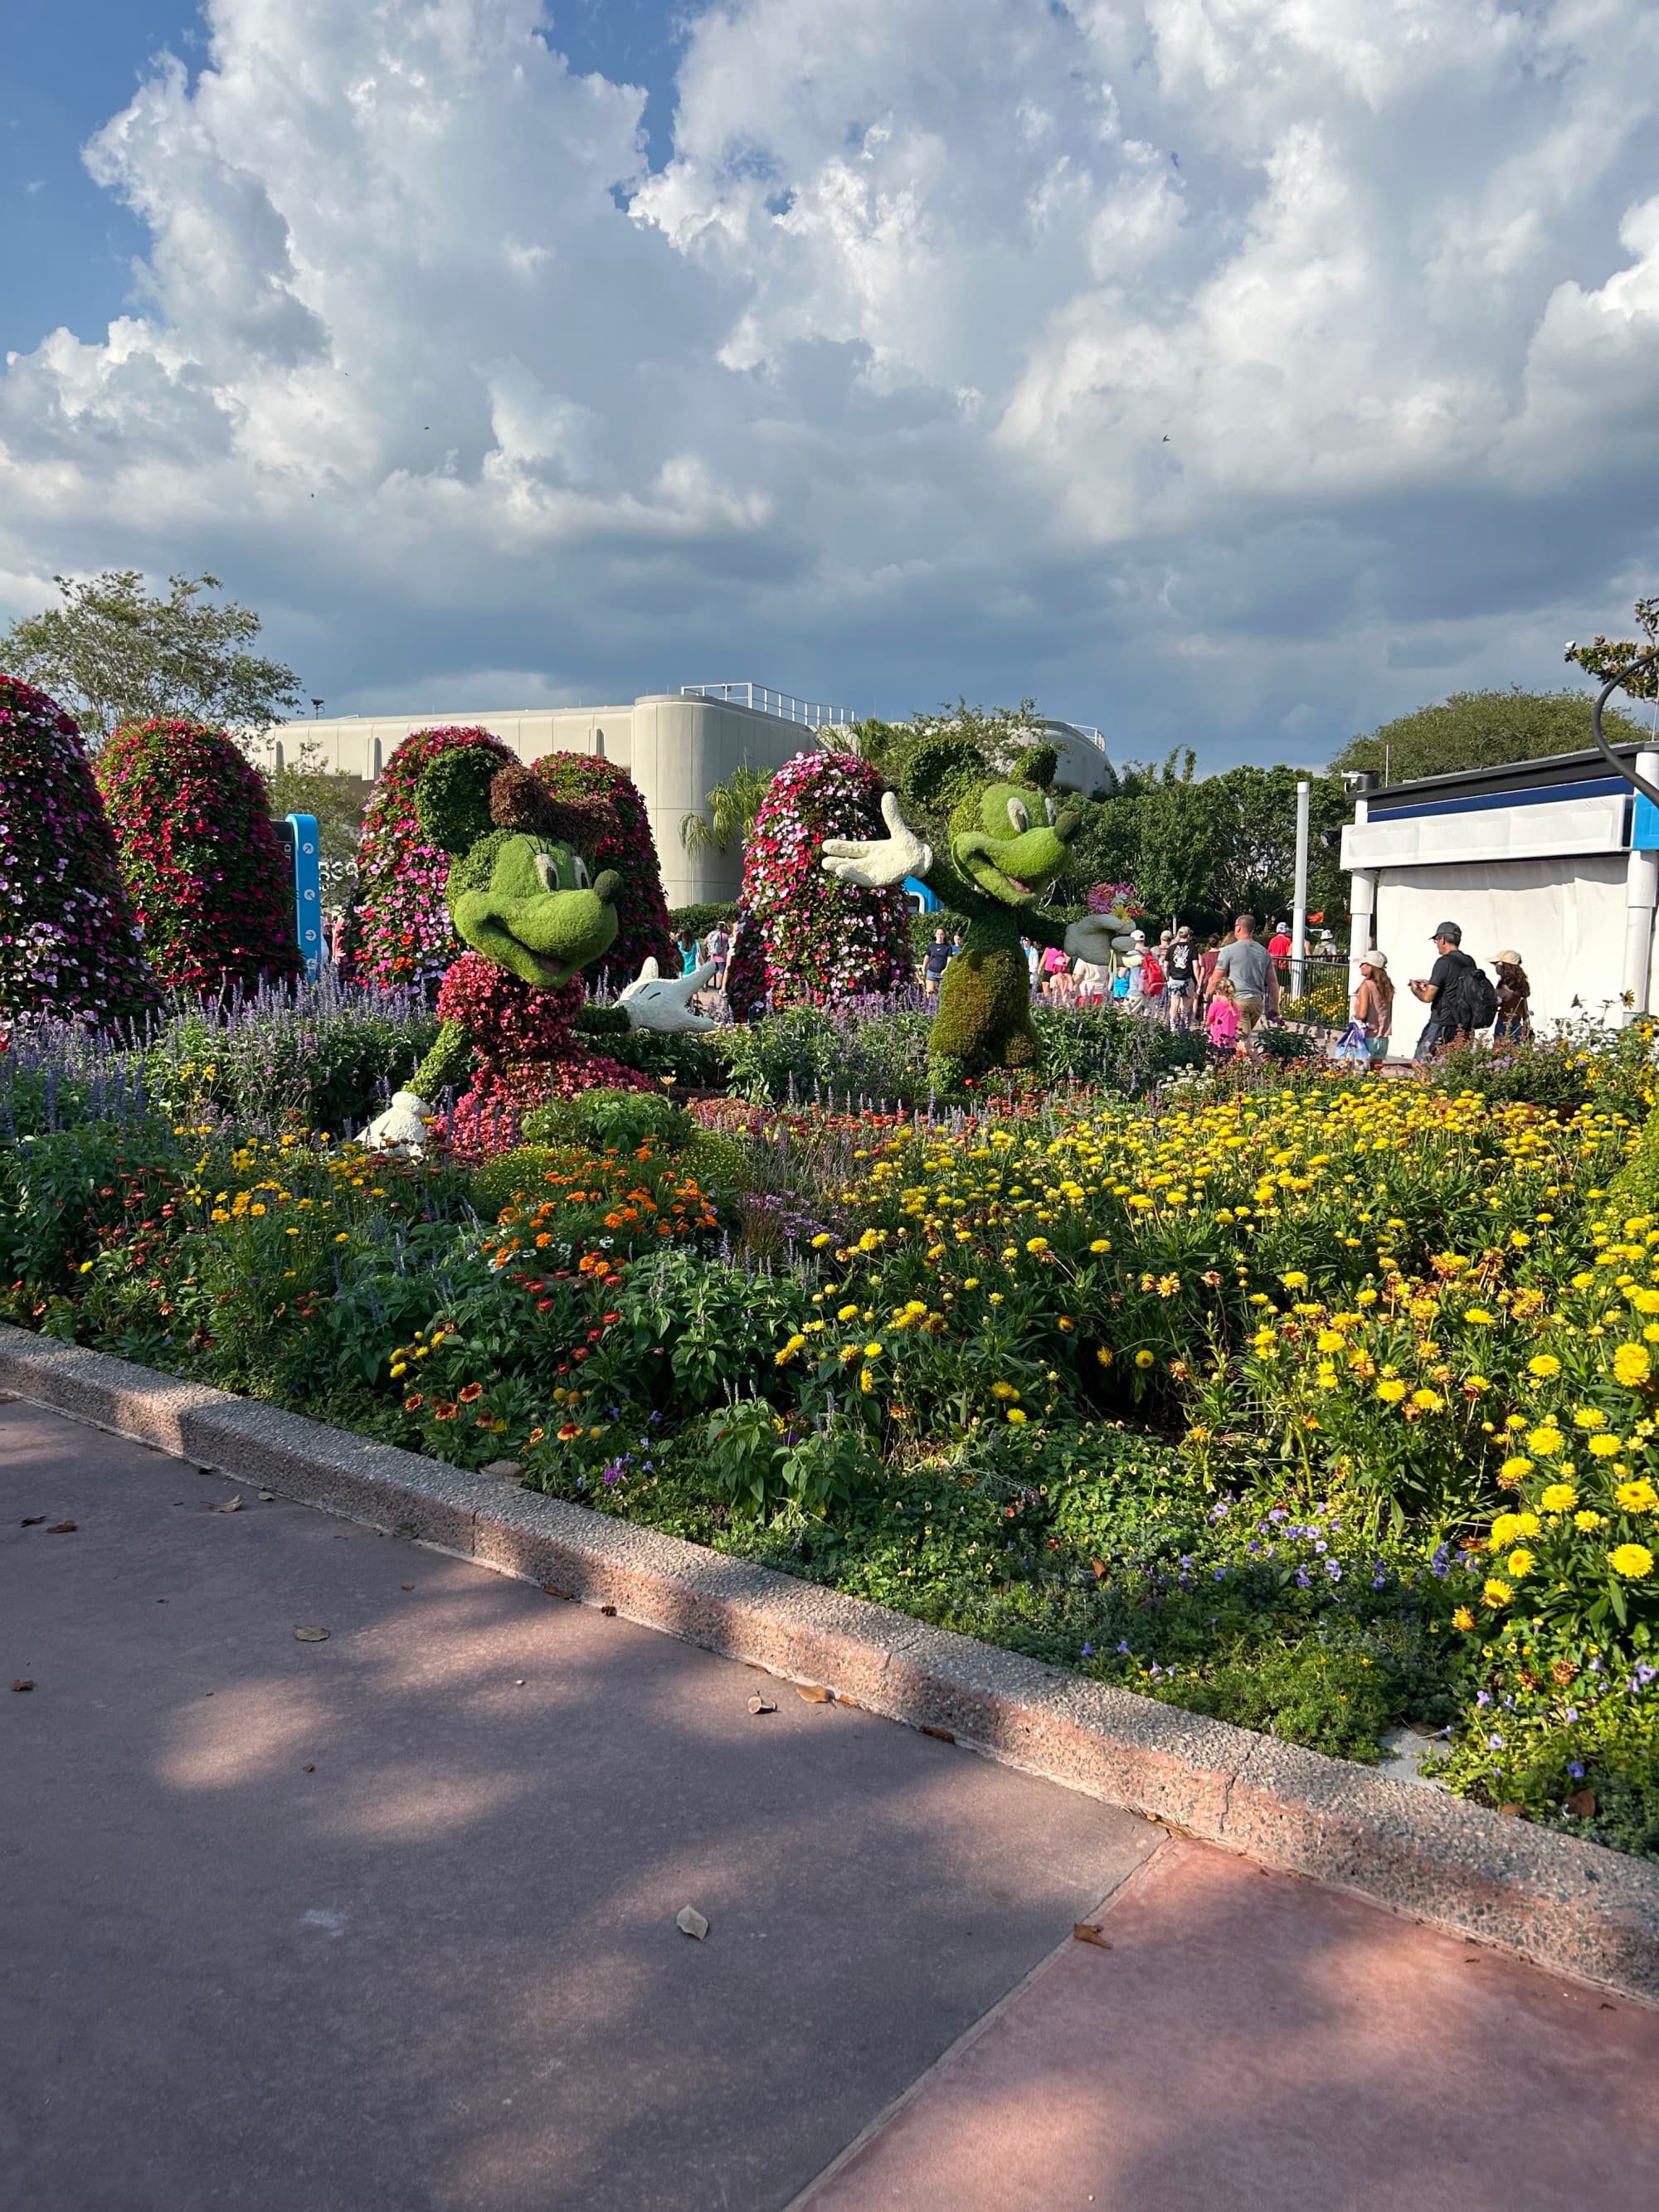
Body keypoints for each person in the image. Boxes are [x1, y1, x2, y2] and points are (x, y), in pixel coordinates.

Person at [1410, 921, 1481, 1060]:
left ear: (1442, 939)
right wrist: (1432, 984)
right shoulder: (1469, 961)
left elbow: (1427, 997)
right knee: (1452, 1064)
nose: (1436, 943)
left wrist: (1415, 989)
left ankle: (1428, 1083)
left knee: (1420, 1062)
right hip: (1464, 1022)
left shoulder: (1443, 962)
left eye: (1436, 940)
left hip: (1442, 1021)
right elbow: (1457, 986)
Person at [1213, 913, 1278, 1040]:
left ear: (1238, 928)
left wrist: (1206, 995)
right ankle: (1235, 1058)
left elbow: (1216, 977)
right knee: (1236, 1039)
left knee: (1241, 1040)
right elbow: (1273, 983)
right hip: (1257, 1003)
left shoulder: (1228, 951)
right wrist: (1275, 1008)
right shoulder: (1263, 952)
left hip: (1238, 1001)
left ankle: (1254, 1060)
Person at [1351, 949, 1394, 1067]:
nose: (1361, 966)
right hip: (1383, 1037)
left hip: (1368, 1036)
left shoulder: (1366, 986)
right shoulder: (1387, 986)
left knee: (1361, 1073)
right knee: (1375, 1075)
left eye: (1364, 963)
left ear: (1371, 966)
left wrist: (1355, 1017)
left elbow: (1363, 1014)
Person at [1492, 950, 1531, 1044]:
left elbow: (1495, 1002)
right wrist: (1527, 1027)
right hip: (1517, 1024)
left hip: (1504, 1023)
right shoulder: (1521, 985)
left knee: (1501, 1054)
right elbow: (1525, 1008)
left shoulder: (1504, 986)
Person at [1165, 925, 1199, 1029]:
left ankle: (1172, 1026)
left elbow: (1165, 966)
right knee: (1186, 1004)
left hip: (1173, 979)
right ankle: (1184, 1025)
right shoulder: (1193, 948)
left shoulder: (1171, 948)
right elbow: (1196, 966)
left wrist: (1167, 978)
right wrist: (1198, 981)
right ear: (1188, 936)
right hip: (1187, 979)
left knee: (1174, 1002)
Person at [1205, 973, 1242, 1055]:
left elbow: (1209, 1022)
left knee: (1216, 1062)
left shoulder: (1215, 1005)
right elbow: (1238, 1019)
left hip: (1218, 1040)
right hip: (1231, 1041)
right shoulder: (1235, 1006)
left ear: (1217, 991)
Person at [922, 925, 952, 999]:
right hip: (931, 972)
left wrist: (946, 969)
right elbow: (927, 958)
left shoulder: (948, 947)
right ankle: (929, 1009)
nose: (940, 936)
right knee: (930, 994)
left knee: (942, 996)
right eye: (938, 934)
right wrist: (924, 968)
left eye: (941, 934)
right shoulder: (931, 946)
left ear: (944, 936)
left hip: (942, 974)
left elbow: (949, 960)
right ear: (935, 935)